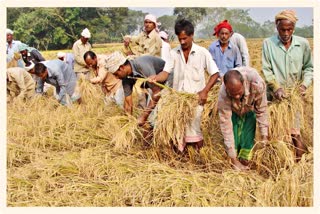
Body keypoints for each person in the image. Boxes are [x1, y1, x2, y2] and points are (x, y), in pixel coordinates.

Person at [148, 19, 220, 151]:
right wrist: (156, 78)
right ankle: (182, 160)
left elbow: (215, 74)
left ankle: (201, 158)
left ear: (192, 35)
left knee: (195, 131)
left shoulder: (202, 52)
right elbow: (165, 72)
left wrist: (205, 91)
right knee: (178, 132)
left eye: (185, 38)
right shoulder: (174, 53)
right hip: (178, 99)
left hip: (195, 98)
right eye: (179, 39)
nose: (182, 42)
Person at [262, 10, 313, 161]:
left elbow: (309, 68)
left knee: (294, 132)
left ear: (294, 28)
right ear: (276, 27)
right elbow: (267, 69)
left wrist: (304, 85)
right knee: (276, 132)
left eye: (289, 29)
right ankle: (278, 162)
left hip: (294, 97)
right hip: (274, 97)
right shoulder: (268, 44)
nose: (286, 33)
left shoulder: (302, 44)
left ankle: (299, 164)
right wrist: (276, 87)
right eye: (282, 29)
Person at [218, 67, 269, 171]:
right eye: (233, 94)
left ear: (243, 83)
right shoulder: (223, 94)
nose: (236, 96)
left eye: (239, 92)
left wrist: (264, 138)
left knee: (248, 134)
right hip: (234, 111)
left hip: (249, 108)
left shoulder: (256, 84)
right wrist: (233, 160)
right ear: (227, 89)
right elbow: (225, 125)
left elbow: (261, 111)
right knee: (233, 136)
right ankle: (234, 160)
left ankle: (245, 159)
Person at [102, 51, 166, 126]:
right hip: (154, 85)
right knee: (150, 119)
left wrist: (143, 116)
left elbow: (157, 93)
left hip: (168, 80)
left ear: (122, 67)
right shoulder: (126, 78)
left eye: (116, 74)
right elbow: (128, 103)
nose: (116, 77)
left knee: (155, 118)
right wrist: (128, 123)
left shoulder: (142, 65)